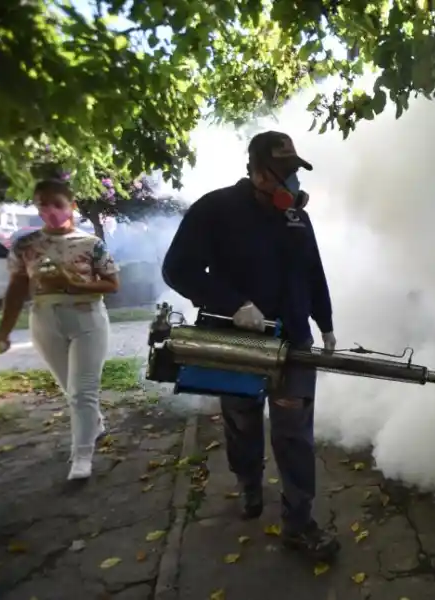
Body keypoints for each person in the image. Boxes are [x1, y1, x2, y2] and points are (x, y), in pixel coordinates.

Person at [161, 131, 339, 562]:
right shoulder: (215, 210)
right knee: (242, 420)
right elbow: (177, 269)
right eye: (285, 172)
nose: (293, 181)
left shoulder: (296, 217)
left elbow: (313, 272)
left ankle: (298, 522)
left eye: (296, 171)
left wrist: (326, 323)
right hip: (238, 340)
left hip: (293, 340)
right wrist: (232, 303)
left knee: (294, 432)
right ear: (259, 173)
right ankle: (249, 484)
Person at [0, 179, 120, 480]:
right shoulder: (25, 245)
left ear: (71, 206)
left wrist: (73, 284)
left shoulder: (91, 244)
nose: (50, 211)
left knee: (82, 391)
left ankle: (82, 456)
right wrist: (3, 331)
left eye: (57, 204)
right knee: (71, 389)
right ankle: (94, 424)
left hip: (88, 318)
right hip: (45, 319)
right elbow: (16, 289)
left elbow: (112, 284)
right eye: (42, 205)